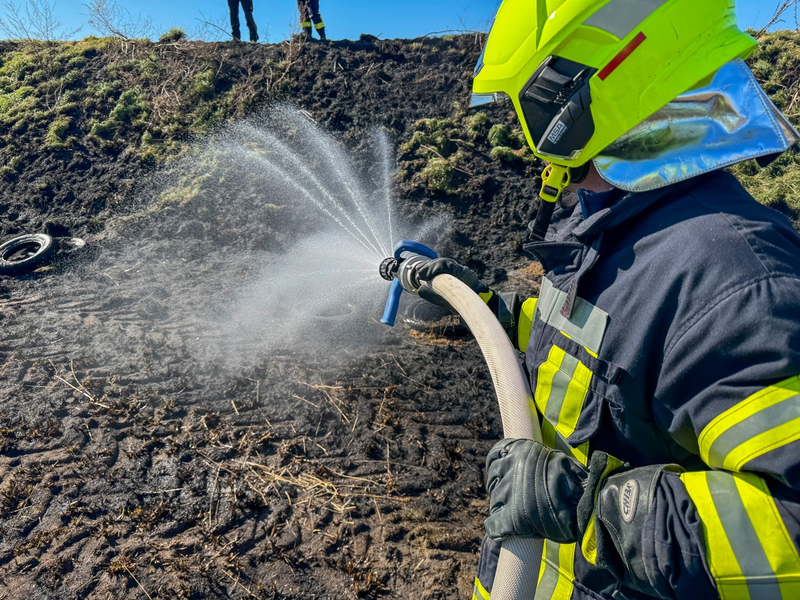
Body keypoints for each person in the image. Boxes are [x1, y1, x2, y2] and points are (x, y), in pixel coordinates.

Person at [417, 1, 800, 598]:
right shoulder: (614, 224)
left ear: (568, 103)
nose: (529, 141)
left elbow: (792, 522)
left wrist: (595, 509)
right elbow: (602, 351)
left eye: (527, 108)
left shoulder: (734, 280)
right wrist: (491, 313)